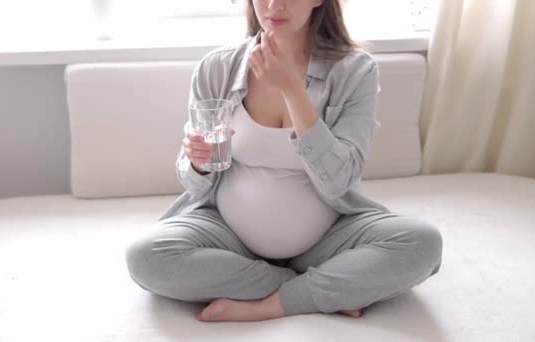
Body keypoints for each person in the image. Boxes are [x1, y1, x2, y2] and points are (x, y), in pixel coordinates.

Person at [125, 0, 442, 322]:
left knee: (423, 243)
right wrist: (197, 162)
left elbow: (340, 179)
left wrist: (293, 91)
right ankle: (320, 288)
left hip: (328, 236)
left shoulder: (355, 70)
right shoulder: (217, 67)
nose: (275, 5)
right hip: (227, 235)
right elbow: (193, 182)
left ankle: (269, 305)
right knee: (145, 257)